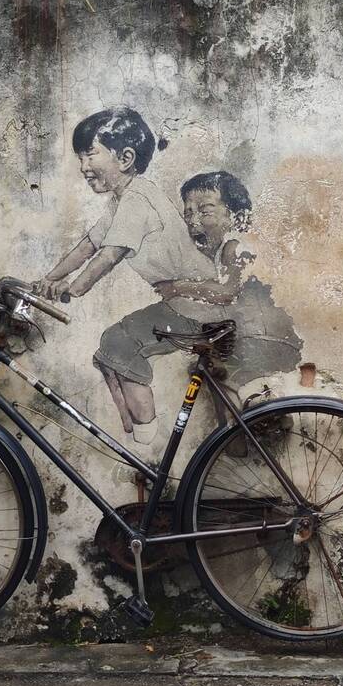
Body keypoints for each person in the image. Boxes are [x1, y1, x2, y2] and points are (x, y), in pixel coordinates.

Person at [35, 107, 221, 442]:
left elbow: (109, 255)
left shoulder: (138, 199)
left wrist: (72, 290)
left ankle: (148, 443)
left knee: (119, 344)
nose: (83, 167)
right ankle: (139, 437)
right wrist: (45, 280)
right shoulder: (122, 201)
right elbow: (87, 246)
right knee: (111, 346)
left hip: (197, 303)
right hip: (182, 303)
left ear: (125, 158)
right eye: (79, 157)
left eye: (90, 154)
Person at [154, 171, 303, 417]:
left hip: (264, 340)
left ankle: (251, 429)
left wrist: (176, 287)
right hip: (253, 338)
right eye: (188, 212)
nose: (193, 220)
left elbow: (226, 292)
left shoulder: (234, 247)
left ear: (236, 216)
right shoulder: (218, 253)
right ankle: (238, 438)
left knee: (215, 374)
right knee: (210, 373)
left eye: (205, 210)